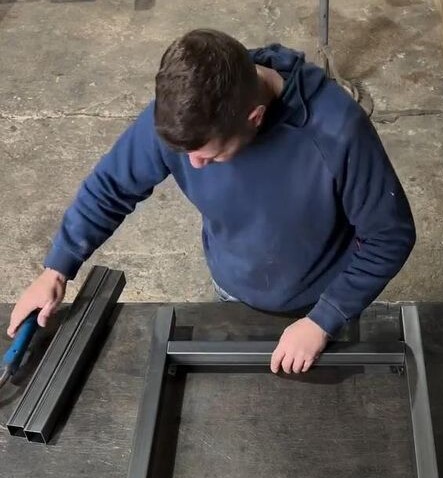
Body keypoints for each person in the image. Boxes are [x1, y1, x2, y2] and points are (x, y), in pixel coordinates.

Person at [8, 29, 415, 374]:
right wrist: (56, 269)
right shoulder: (187, 113)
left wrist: (324, 320)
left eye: (210, 156)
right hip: (230, 285)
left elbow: (389, 237)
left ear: (255, 118)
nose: (194, 166)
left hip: (321, 298)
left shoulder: (335, 131)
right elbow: (111, 186)